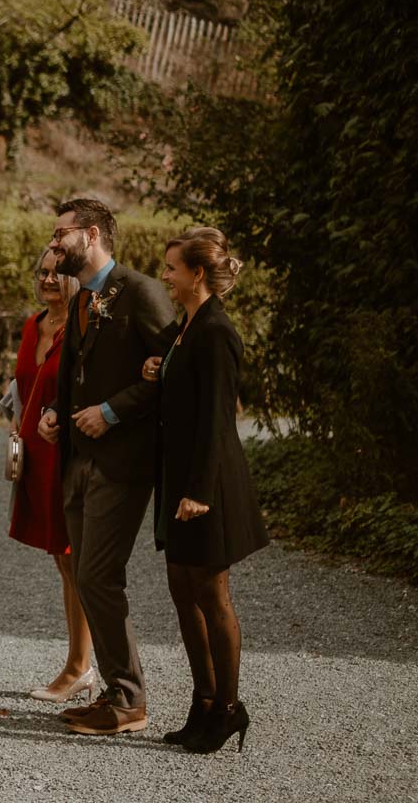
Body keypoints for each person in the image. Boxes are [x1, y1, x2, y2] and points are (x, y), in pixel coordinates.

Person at [37, 198, 177, 736]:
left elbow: (169, 369)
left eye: (60, 235)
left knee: (98, 574)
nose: (54, 245)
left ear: (90, 234)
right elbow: (71, 375)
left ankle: (129, 700)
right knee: (86, 576)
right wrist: (54, 413)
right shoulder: (79, 303)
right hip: (77, 459)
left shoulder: (141, 291)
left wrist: (113, 412)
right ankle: (119, 694)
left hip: (122, 461)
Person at [143, 227, 269, 753]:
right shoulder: (184, 326)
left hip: (207, 484)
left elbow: (220, 419)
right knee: (180, 589)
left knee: (211, 595)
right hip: (179, 480)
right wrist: (155, 367)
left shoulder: (218, 330)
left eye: (172, 268)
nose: (165, 276)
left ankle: (228, 710)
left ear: (197, 274)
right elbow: (175, 370)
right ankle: (203, 700)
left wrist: (198, 490)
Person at [8, 247, 95, 703]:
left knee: (77, 561)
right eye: (40, 272)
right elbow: (23, 388)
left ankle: (80, 667)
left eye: (55, 273)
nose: (45, 280)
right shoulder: (31, 326)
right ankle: (79, 662)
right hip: (36, 457)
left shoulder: (83, 328)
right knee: (63, 562)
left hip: (70, 455)